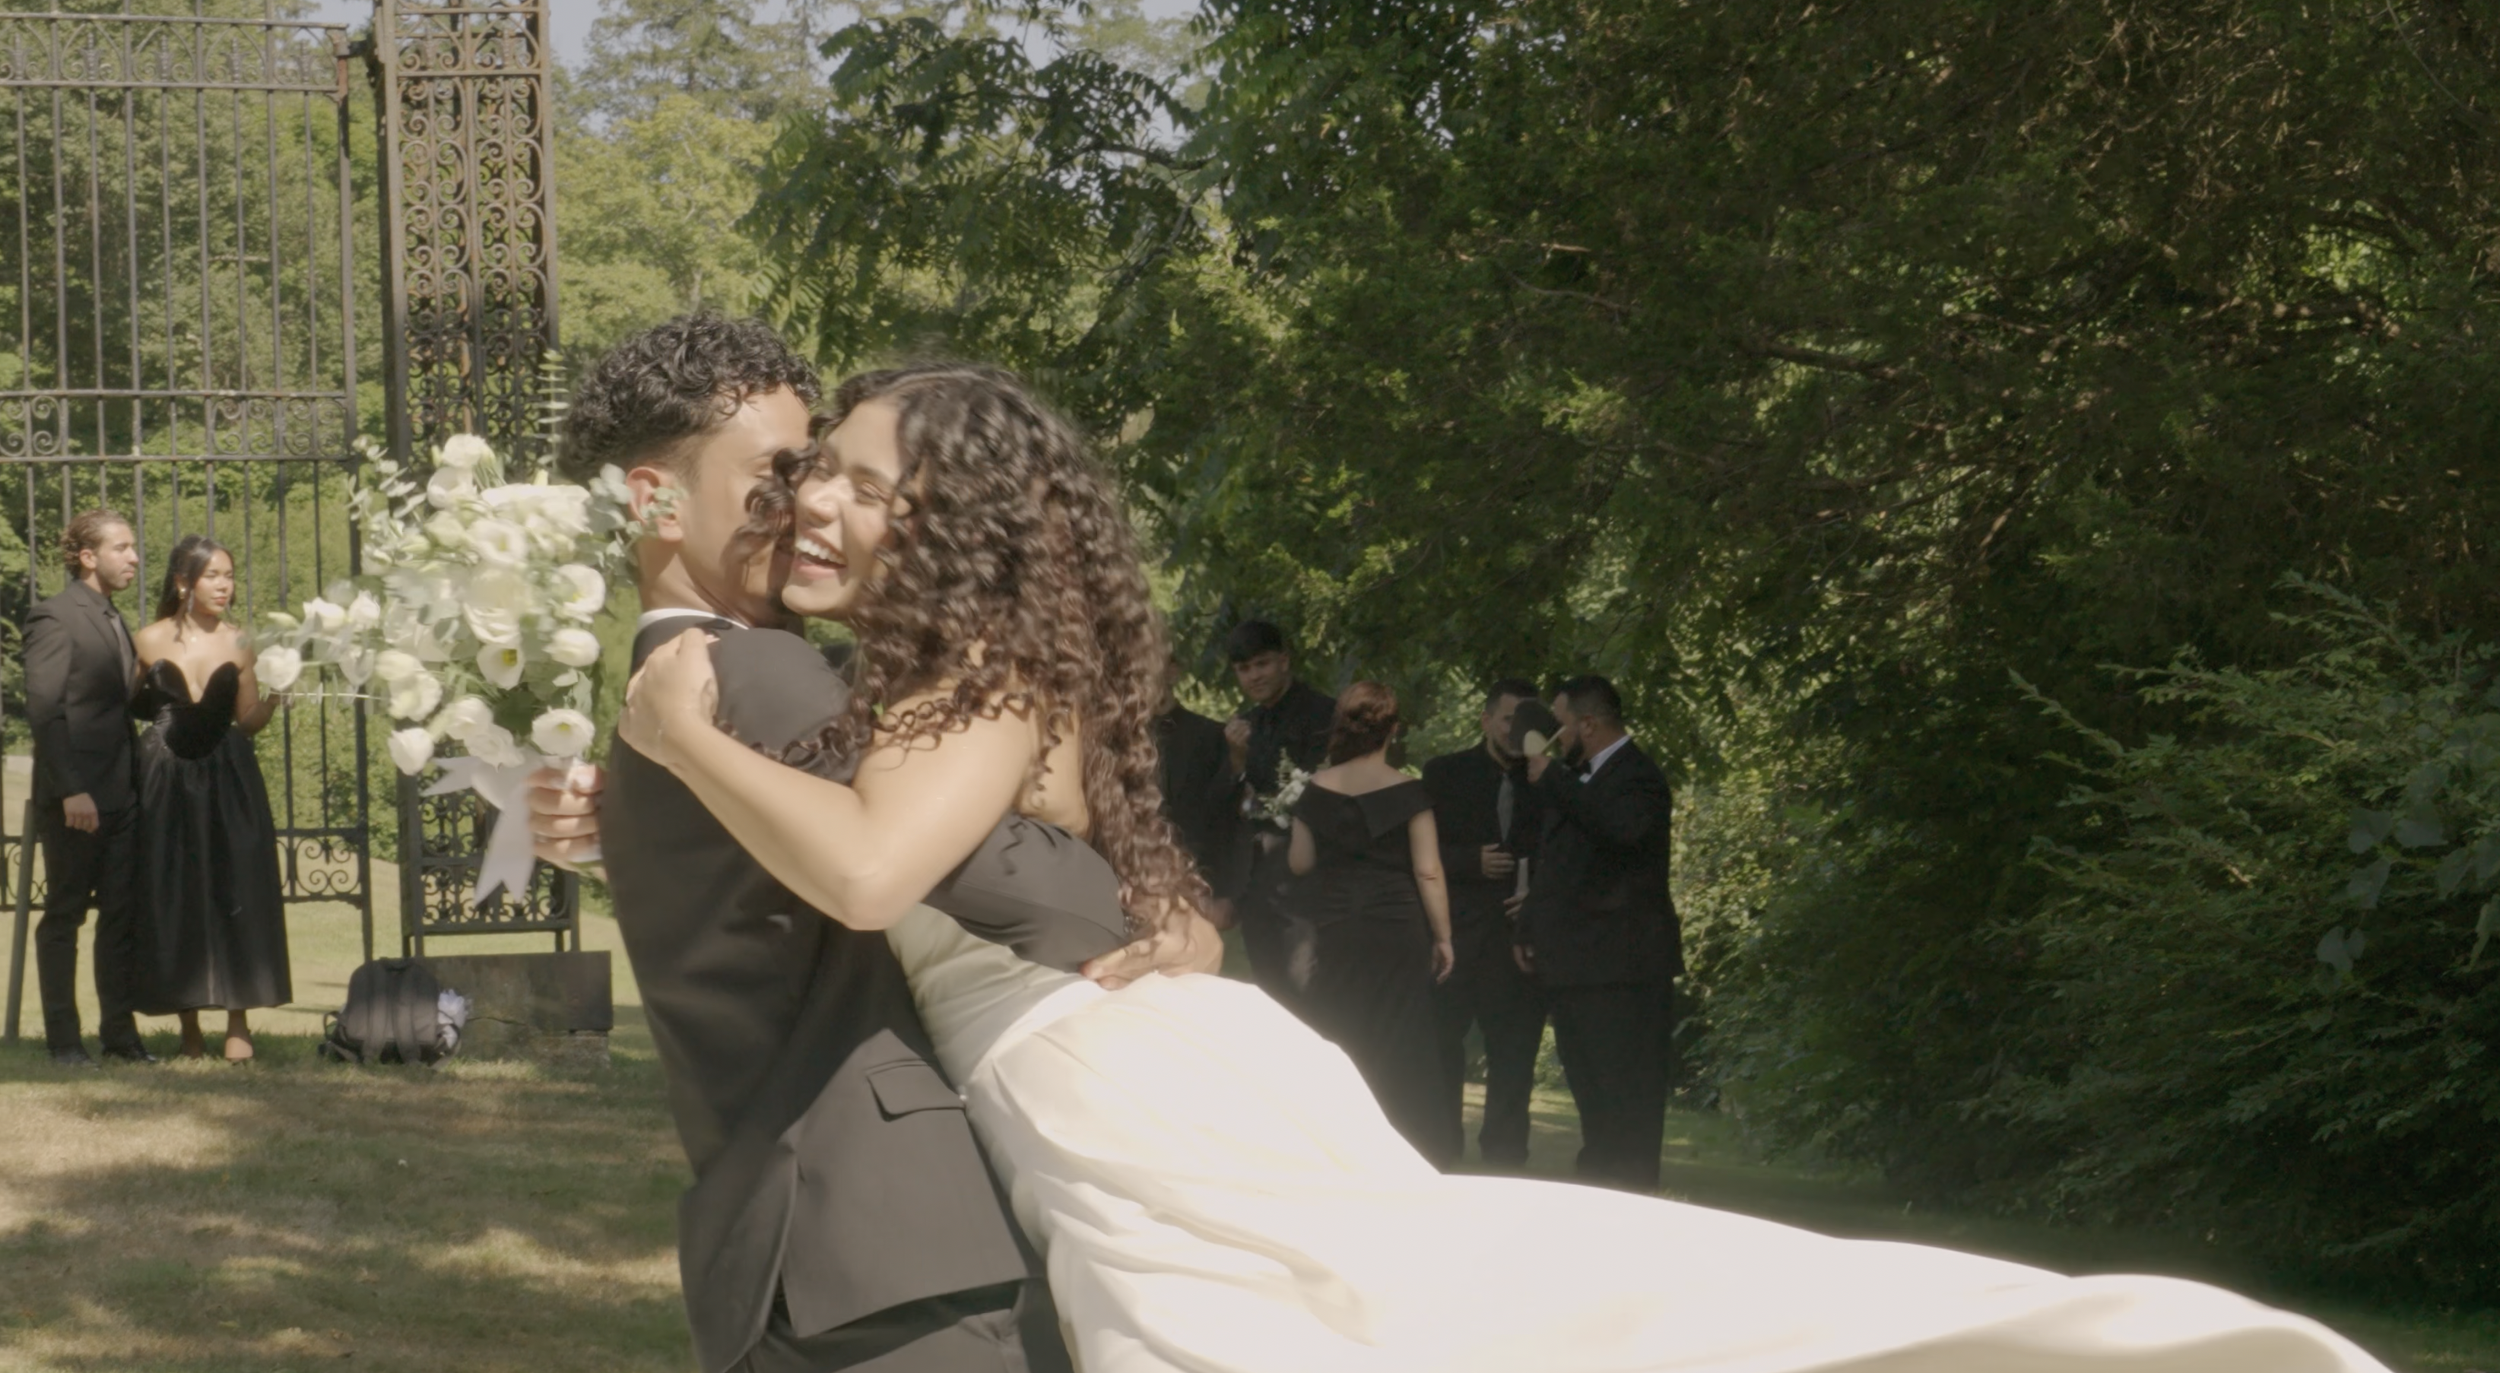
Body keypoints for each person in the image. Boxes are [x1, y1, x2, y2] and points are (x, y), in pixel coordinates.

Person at [617, 362, 2388, 1373]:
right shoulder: (965, 675)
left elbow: (865, 877)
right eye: (807, 479)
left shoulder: (959, 671)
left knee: (1358, 1329)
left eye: (848, 481)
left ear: (948, 518)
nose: (812, 510)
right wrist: (1176, 925)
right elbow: (1149, 875)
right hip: (1146, 1053)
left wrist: (677, 719)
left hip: (1098, 1086)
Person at [527, 314, 1211, 1373]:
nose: (802, 502)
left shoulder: (656, 689)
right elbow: (1025, 893)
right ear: (649, 497)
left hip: (783, 1244)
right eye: (774, 476)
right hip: (892, 1244)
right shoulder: (761, 678)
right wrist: (1158, 913)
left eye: (820, 472)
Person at [129, 535, 288, 1062]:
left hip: (229, 776)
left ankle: (238, 1023)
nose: (226, 585)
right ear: (183, 582)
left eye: (230, 575)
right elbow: (125, 705)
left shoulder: (242, 642)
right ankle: (188, 1027)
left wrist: (277, 696)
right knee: (172, 887)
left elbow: (248, 722)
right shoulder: (145, 639)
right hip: (163, 776)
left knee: (235, 883)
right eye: (214, 576)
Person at [1516, 674, 1678, 1191]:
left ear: (1588, 724)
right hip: (1575, 964)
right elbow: (1557, 865)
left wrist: (1554, 780)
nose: (1555, 738)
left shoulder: (1639, 777)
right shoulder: (1574, 779)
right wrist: (1529, 925)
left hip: (1623, 968)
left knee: (1625, 1092)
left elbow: (1621, 831)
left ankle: (1630, 1192)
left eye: (1560, 725)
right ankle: (1598, 1188)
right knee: (1590, 1090)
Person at [1285, 681, 1458, 1163]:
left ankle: (1337, 1146)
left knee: (1341, 1033)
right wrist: (1443, 937)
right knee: (1402, 1037)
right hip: (1396, 924)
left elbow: (1300, 862)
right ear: (1392, 731)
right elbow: (1428, 870)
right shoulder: (1409, 791)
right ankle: (1410, 1147)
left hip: (1338, 925)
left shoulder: (1317, 789)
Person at [23, 510, 150, 1067]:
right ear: (88, 557)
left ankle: (120, 1039)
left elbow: (118, 705)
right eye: (122, 548)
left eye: (133, 547)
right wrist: (73, 790)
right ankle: (64, 1043)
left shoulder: (113, 617)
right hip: (76, 798)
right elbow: (46, 713)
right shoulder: (54, 617)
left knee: (120, 918)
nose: (134, 558)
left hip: (123, 793)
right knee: (65, 916)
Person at [1420, 677, 1548, 1169]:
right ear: (1487, 720)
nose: (1516, 730)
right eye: (1509, 718)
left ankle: (1505, 1158)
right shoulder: (1445, 774)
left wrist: (1535, 894)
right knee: (1442, 1051)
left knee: (1514, 1058)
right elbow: (1421, 851)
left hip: (1518, 944)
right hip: (1455, 938)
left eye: (1526, 721)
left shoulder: (1547, 782)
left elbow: (1562, 852)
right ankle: (1439, 1150)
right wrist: (1469, 862)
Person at [1215, 619, 1335, 996]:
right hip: (1257, 883)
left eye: (1262, 664)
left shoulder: (1326, 715)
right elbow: (1228, 808)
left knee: (1310, 990)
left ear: (1284, 661)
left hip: (1312, 880)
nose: (1254, 676)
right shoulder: (1243, 726)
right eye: (1244, 669)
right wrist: (1235, 760)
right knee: (1271, 992)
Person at [1151, 655, 1232, 890]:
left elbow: (1224, 820)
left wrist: (1224, 889)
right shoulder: (1121, 740)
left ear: (1172, 672)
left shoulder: (1211, 735)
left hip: (1199, 874)